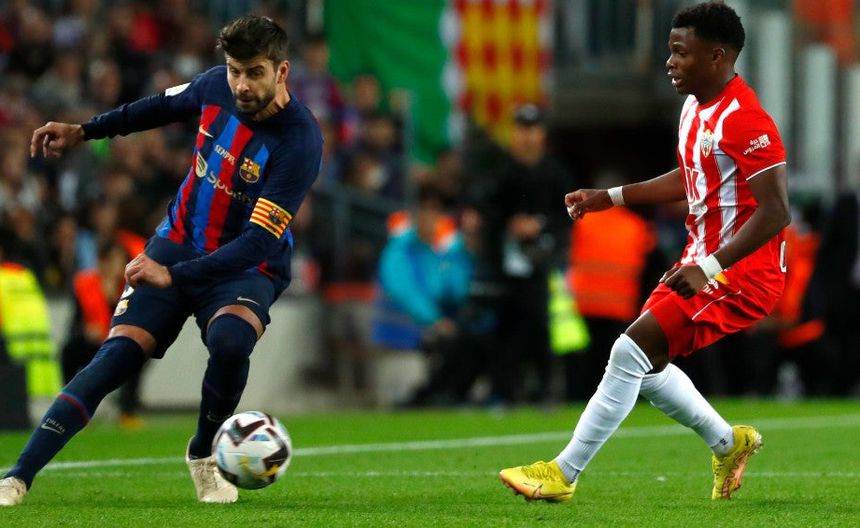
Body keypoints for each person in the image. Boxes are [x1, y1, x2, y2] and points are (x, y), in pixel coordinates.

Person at [0, 15, 322, 506]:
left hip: (245, 264)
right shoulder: (213, 87)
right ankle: (17, 477)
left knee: (231, 341)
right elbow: (154, 108)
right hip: (177, 242)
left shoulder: (300, 140)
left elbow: (258, 242)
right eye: (235, 70)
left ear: (282, 72)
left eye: (254, 72)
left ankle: (203, 453)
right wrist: (84, 131)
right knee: (114, 358)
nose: (241, 84)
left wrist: (173, 276)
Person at [499, 2, 790, 502]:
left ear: (717, 56)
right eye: (669, 51)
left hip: (742, 272)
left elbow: (777, 210)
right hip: (703, 260)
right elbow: (691, 176)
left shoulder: (745, 119)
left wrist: (709, 267)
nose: (670, 62)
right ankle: (728, 443)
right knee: (646, 365)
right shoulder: (695, 108)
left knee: (628, 351)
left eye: (681, 52)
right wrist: (610, 197)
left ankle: (562, 473)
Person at [61, 241, 147, 428]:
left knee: (139, 353)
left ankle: (127, 411)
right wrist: (84, 330)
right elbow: (75, 322)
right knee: (68, 350)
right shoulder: (85, 284)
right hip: (92, 343)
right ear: (102, 261)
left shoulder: (131, 286)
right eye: (113, 260)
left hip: (119, 343)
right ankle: (70, 408)